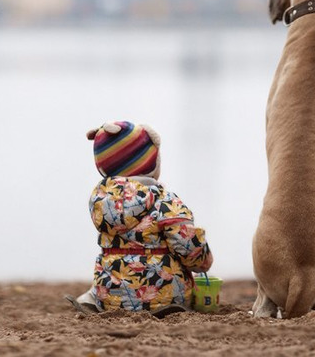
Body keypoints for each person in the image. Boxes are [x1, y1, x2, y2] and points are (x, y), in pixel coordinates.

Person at [66, 121, 213, 315]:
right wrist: (203, 262)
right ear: (150, 162)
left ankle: (96, 301)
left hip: (110, 295)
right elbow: (189, 247)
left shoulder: (99, 201)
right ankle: (162, 306)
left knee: (108, 268)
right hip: (164, 294)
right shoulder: (165, 200)